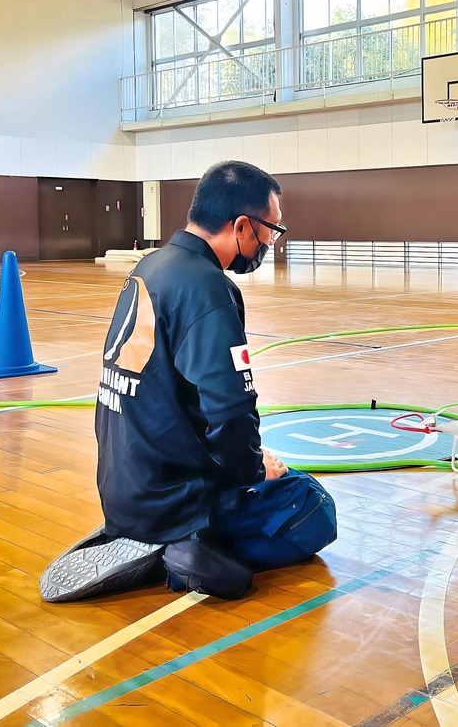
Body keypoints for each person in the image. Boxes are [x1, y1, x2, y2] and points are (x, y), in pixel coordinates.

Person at [84, 161, 337, 600]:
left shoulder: (152, 266)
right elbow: (230, 410)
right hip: (173, 498)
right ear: (242, 226)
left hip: (124, 488)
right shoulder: (208, 288)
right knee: (313, 503)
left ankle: (158, 534)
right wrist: (255, 471)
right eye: (270, 231)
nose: (269, 244)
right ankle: (187, 548)